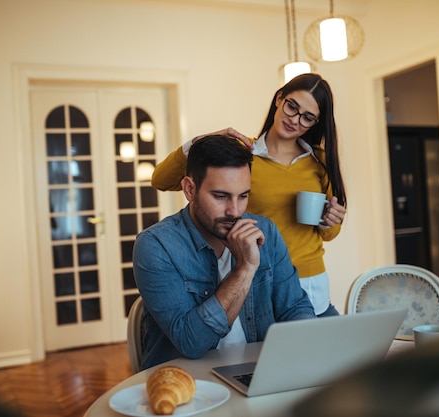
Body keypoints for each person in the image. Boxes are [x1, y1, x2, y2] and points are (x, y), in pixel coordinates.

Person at [152, 73, 347, 317]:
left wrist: (331, 220)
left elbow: (328, 234)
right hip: (258, 275)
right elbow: (161, 180)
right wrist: (201, 141)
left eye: (307, 117)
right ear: (279, 99)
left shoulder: (320, 161)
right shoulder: (243, 155)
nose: (294, 120)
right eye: (292, 107)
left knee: (320, 351)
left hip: (309, 279)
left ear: (315, 123)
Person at [133, 135, 315, 370]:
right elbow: (191, 342)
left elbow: (295, 309)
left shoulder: (265, 230)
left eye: (243, 196)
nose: (235, 210)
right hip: (187, 385)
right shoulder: (156, 245)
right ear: (189, 189)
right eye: (220, 196)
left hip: (259, 373)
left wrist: (304, 352)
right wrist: (245, 268)